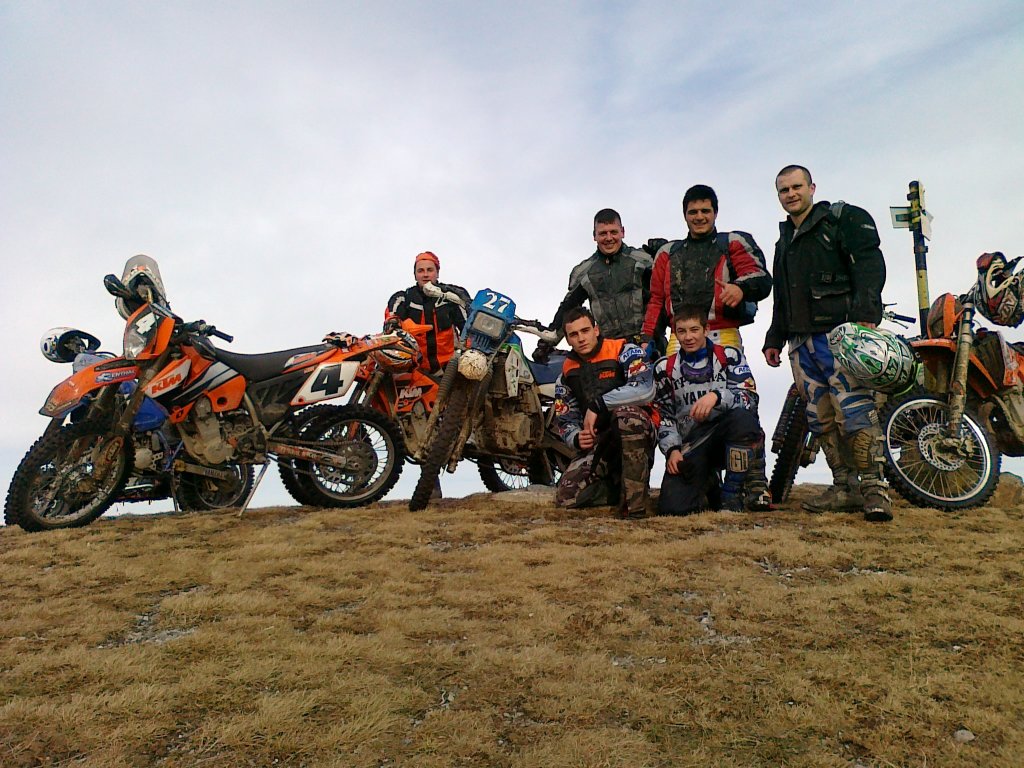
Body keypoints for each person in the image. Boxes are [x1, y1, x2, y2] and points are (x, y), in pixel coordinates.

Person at [763, 165, 892, 522]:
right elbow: (782, 296)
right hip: (800, 342)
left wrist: (867, 312)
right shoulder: (784, 241)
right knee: (819, 417)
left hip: (840, 336)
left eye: (796, 186)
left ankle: (875, 489)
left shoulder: (840, 220)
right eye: (784, 190)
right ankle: (844, 486)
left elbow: (869, 263)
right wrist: (774, 337)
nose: (791, 194)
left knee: (854, 409)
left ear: (812, 187)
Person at [653, 306, 772, 515]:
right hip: (693, 442)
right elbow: (664, 416)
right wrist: (672, 450)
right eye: (682, 331)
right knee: (673, 508)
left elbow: (750, 399)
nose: (688, 337)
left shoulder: (729, 356)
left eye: (694, 330)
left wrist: (717, 396)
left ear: (706, 330)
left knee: (743, 420)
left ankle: (732, 494)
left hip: (726, 433)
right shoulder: (664, 368)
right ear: (676, 334)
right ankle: (710, 481)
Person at [642, 185, 771, 354]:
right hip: (679, 336)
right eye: (693, 212)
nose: (699, 217)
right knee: (671, 372)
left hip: (723, 332)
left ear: (715, 213)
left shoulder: (733, 242)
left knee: (729, 372)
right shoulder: (667, 253)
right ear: (685, 215)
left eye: (705, 211)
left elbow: (760, 276)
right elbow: (656, 300)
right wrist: (647, 338)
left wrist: (741, 287)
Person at [553, 307, 656, 519]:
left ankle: (635, 507)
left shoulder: (625, 350)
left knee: (627, 417)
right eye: (574, 334)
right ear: (568, 340)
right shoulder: (566, 372)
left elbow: (645, 389)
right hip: (600, 441)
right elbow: (565, 417)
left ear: (596, 330)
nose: (581, 338)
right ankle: (620, 487)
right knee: (566, 497)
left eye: (585, 331)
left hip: (637, 431)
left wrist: (598, 405)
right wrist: (576, 437)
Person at [543, 208, 655, 351]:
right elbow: (568, 310)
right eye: (603, 233)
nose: (609, 238)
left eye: (613, 232)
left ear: (622, 232)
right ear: (594, 236)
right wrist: (546, 344)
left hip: (648, 343)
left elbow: (664, 296)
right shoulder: (584, 272)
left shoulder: (644, 261)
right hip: (608, 348)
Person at [386, 251, 471, 374]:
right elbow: (392, 316)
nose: (425, 274)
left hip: (448, 369)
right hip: (414, 369)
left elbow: (468, 327)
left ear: (437, 273)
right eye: (420, 271)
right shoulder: (404, 298)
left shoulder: (450, 297)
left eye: (430, 270)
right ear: (415, 275)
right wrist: (395, 322)